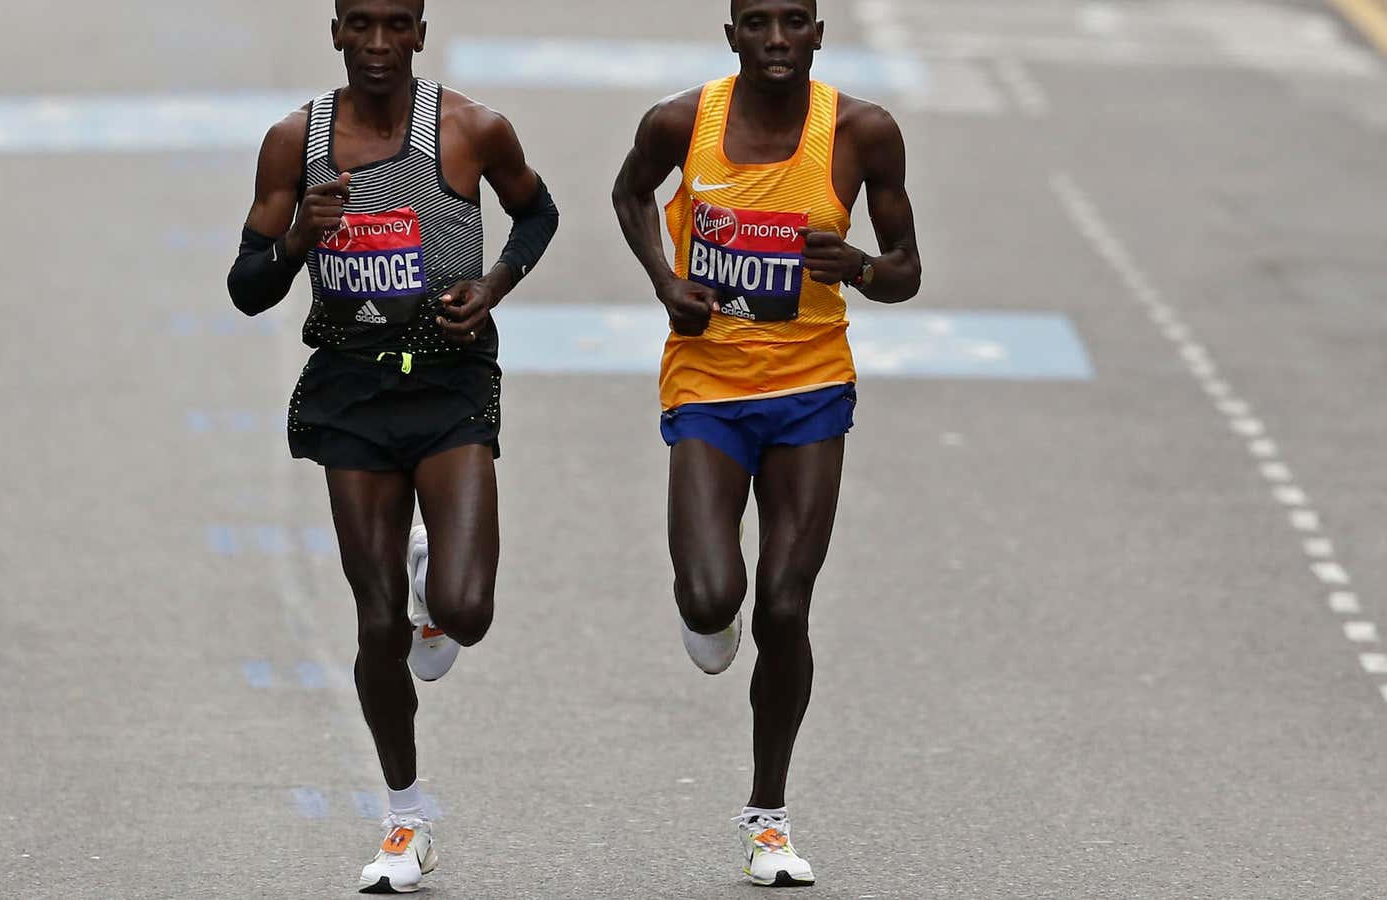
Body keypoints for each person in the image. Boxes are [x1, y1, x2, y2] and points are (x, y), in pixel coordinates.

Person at [225, 0, 558, 892]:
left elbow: (538, 215)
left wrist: (491, 285)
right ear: (335, 30)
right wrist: (299, 238)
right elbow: (247, 290)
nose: (378, 45)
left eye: (395, 25)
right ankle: (405, 820)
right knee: (373, 625)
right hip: (352, 388)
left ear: (420, 31)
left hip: (448, 384)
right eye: (360, 25)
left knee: (469, 610)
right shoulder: (296, 141)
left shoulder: (472, 129)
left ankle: (431, 587)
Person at [611, 0, 921, 887]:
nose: (777, 39)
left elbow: (906, 270)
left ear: (819, 33)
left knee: (786, 607)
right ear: (732, 34)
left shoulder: (862, 132)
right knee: (714, 601)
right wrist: (667, 281)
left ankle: (768, 815)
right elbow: (630, 193)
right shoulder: (680, 122)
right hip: (708, 386)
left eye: (794, 21)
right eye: (758, 22)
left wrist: (858, 267)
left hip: (811, 388)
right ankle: (707, 603)